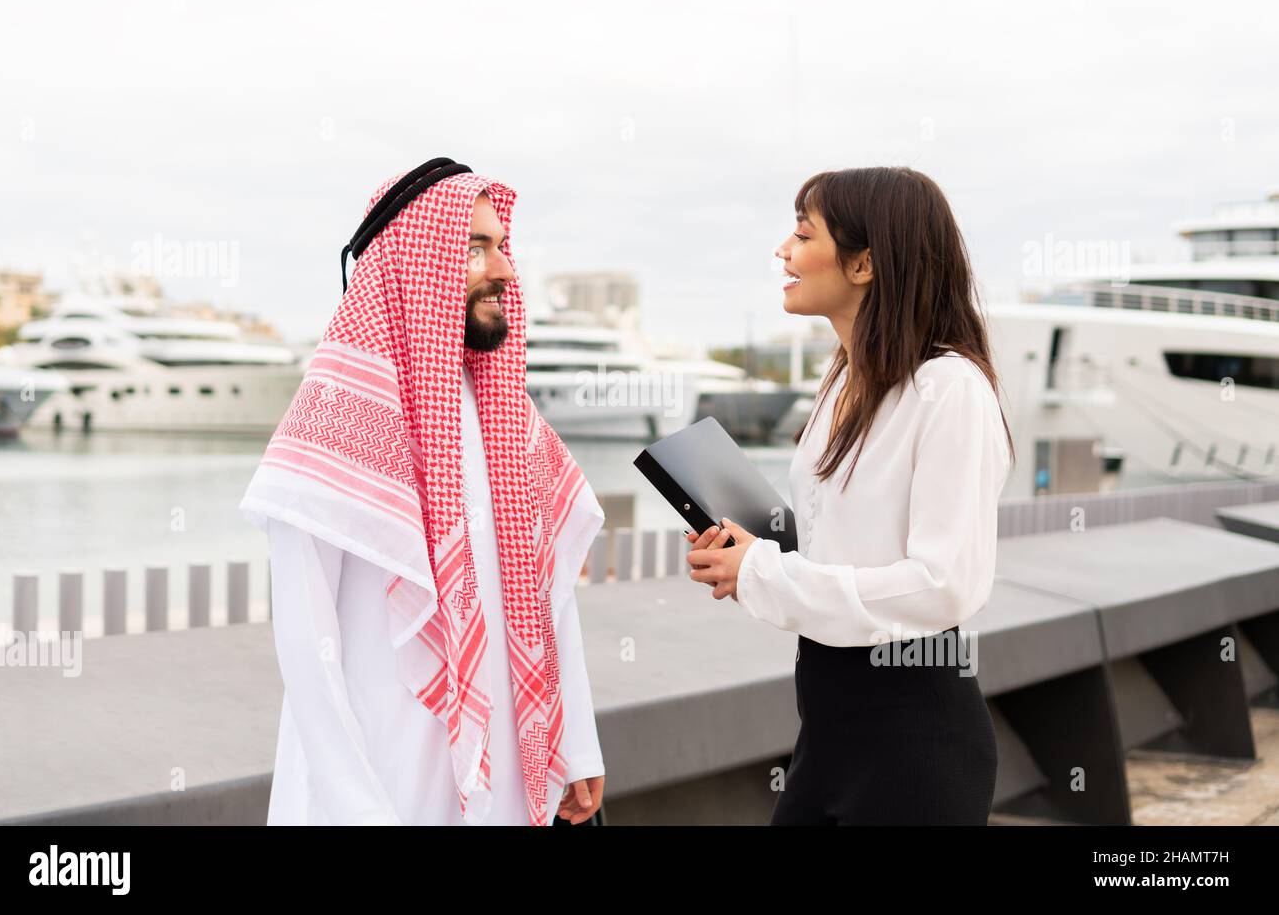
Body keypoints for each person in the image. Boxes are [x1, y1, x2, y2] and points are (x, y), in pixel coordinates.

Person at [239, 163, 607, 826]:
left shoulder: (508, 418)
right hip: (376, 783)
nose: (504, 272)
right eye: (475, 249)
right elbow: (304, 637)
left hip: (505, 777)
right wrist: (357, 807)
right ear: (414, 263)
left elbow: (548, 587)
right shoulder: (339, 415)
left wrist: (574, 740)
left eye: (502, 247)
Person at [685, 166, 1015, 825]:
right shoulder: (842, 382)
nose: (783, 250)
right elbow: (840, 545)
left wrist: (767, 575)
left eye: (803, 234)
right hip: (828, 726)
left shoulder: (950, 390)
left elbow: (944, 585)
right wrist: (751, 554)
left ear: (864, 264)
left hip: (915, 740)